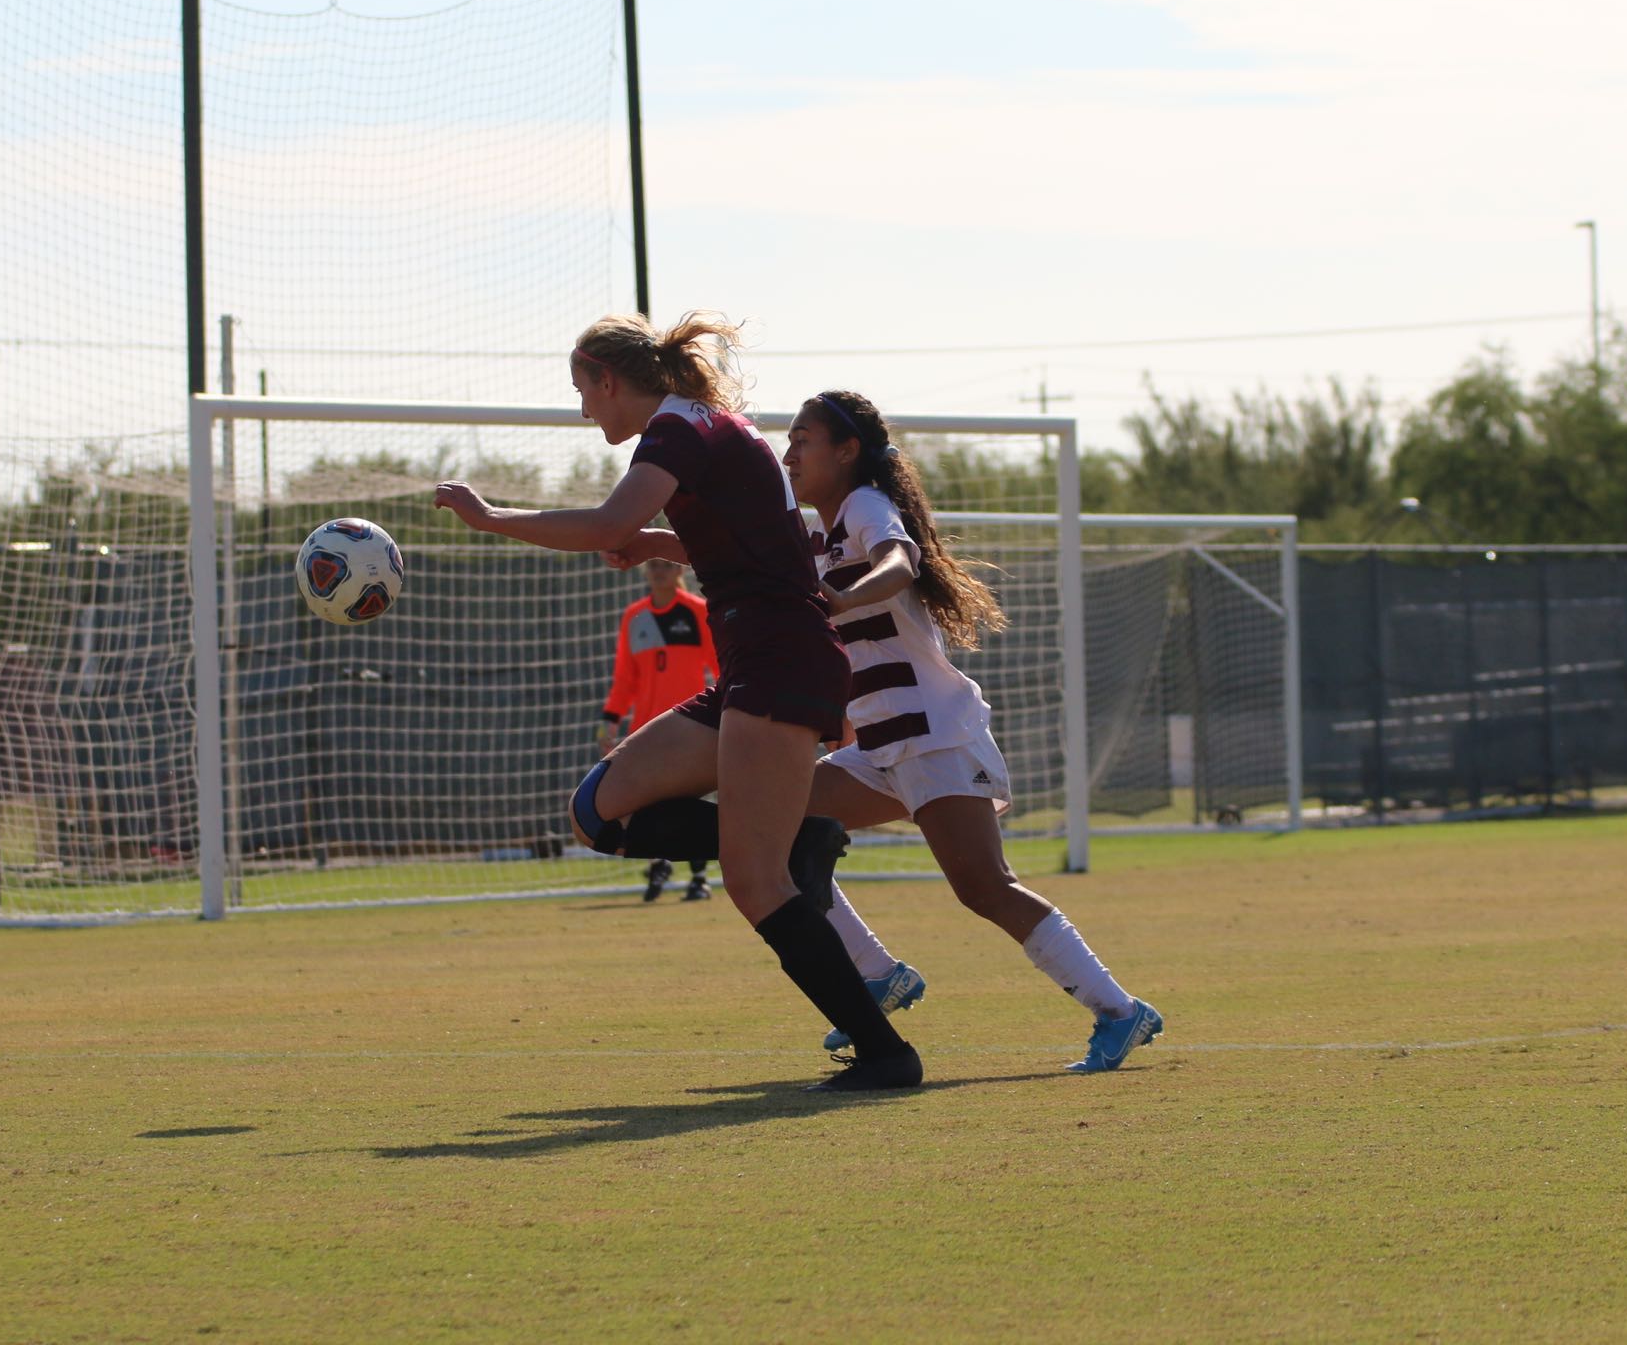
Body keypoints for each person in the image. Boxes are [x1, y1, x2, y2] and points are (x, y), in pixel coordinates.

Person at [434, 313, 922, 1091]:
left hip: (778, 658)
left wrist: (491, 518)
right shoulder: (703, 427)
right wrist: (661, 544)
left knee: (753, 881)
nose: (584, 411)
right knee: (600, 809)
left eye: (583, 393)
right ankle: (806, 843)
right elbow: (749, 543)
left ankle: (885, 1053)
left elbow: (606, 522)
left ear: (608, 380)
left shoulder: (677, 431)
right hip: (754, 664)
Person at [782, 388, 1162, 1074]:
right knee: (776, 829)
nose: (789, 452)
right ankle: (876, 973)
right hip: (878, 743)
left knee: (983, 886)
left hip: (932, 735)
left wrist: (849, 592)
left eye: (803, 438)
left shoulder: (866, 506)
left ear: (846, 452)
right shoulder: (819, 534)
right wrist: (654, 538)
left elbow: (900, 562)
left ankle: (1118, 1010)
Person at [599, 558, 717, 901]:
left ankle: (699, 877)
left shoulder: (697, 610)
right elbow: (625, 678)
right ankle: (660, 862)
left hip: (690, 724)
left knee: (691, 799)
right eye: (653, 565)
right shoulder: (635, 616)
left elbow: (720, 666)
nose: (659, 571)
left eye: (666, 564)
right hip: (645, 728)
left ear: (680, 570)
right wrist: (610, 719)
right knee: (647, 802)